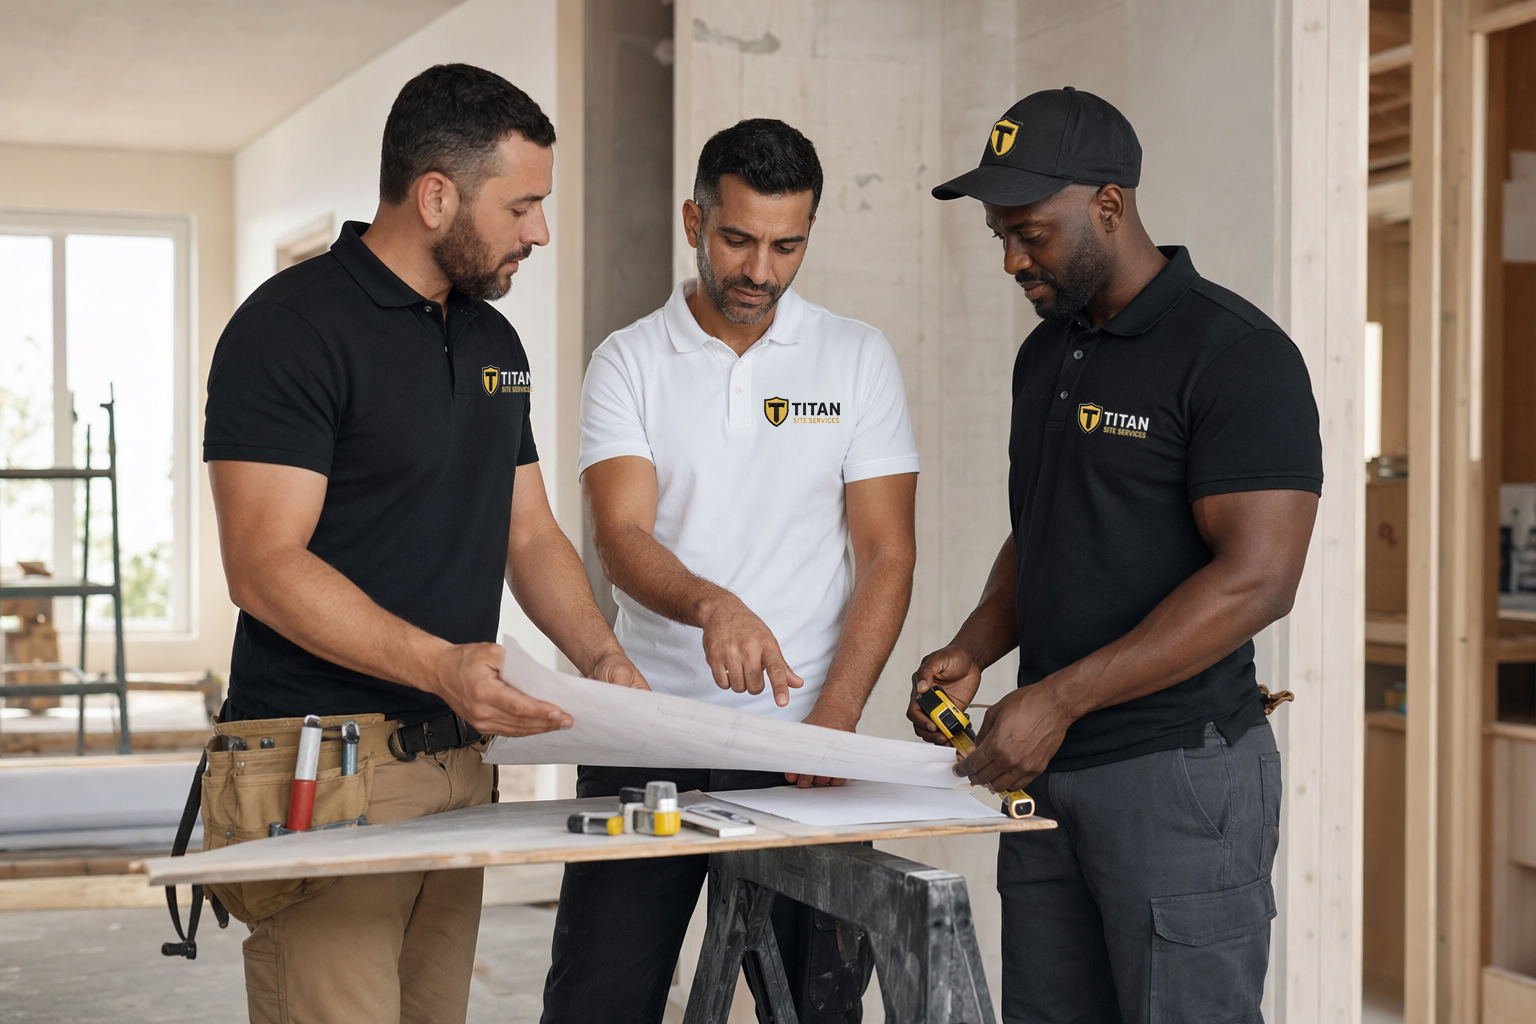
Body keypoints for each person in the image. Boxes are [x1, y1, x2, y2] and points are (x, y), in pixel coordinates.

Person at [203, 64, 645, 1024]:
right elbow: (264, 565)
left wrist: (602, 658)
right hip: (326, 766)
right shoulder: (290, 328)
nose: (541, 230)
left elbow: (527, 529)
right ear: (437, 194)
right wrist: (442, 664)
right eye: (523, 204)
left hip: (456, 762)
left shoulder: (495, 344)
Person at [913, 87, 1321, 1024]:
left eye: (1032, 232)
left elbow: (1261, 578)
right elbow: (1050, 524)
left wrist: (1056, 698)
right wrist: (978, 648)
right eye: (999, 236)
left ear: (1109, 204)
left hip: (1178, 776)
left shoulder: (1236, 354)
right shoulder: (1048, 353)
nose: (1013, 258)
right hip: (1047, 775)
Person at [541, 119, 919, 1024]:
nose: (760, 270)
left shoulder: (857, 357)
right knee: (597, 1002)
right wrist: (714, 604)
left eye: (788, 246)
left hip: (801, 754)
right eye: (738, 239)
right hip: (648, 745)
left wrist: (833, 722)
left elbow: (886, 554)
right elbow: (619, 536)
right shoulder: (629, 361)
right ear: (693, 221)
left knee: (817, 1011)